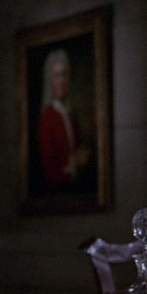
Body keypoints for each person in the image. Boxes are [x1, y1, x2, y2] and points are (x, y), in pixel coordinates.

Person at [36, 48, 91, 192]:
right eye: (56, 76)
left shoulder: (71, 116)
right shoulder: (47, 118)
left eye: (64, 75)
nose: (61, 81)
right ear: (49, 80)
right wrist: (75, 162)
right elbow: (50, 171)